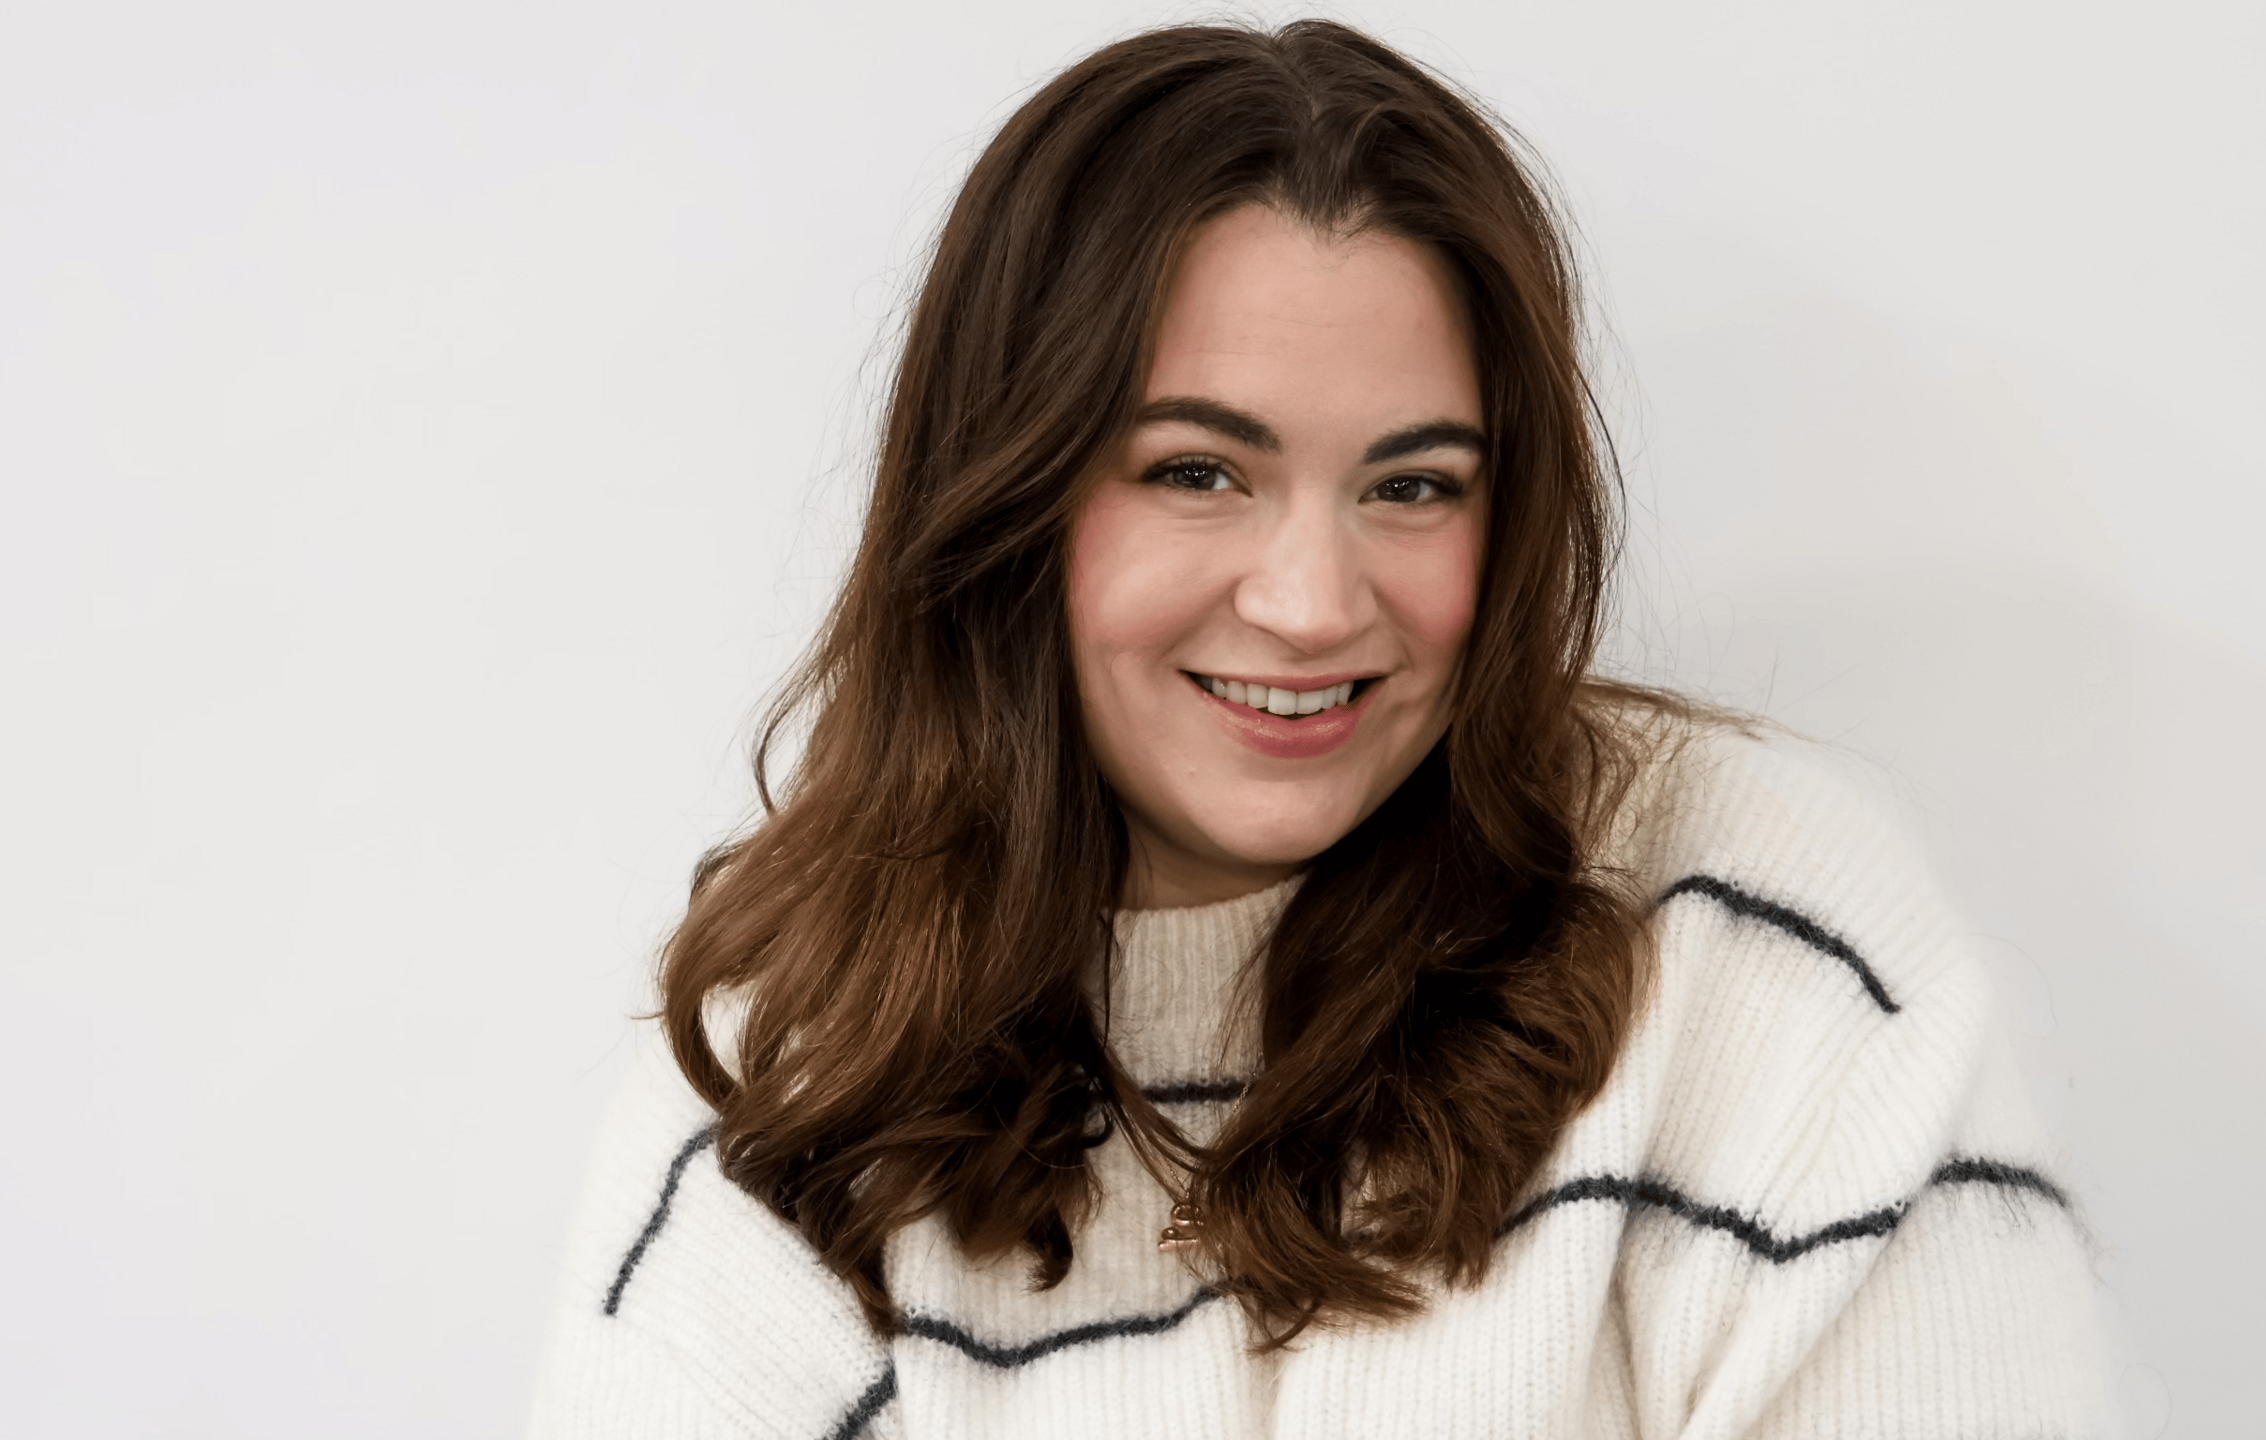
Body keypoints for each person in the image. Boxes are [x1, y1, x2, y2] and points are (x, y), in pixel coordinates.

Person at [527, 20, 2114, 1439]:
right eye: (1197, 472)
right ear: (1008, 502)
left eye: (1412, 487)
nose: (1311, 603)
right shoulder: (793, 1085)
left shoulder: (1767, 957)